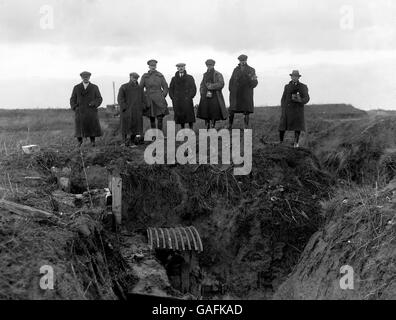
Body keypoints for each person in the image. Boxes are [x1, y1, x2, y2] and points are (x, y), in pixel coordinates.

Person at [70, 71, 103, 147]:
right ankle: (79, 142)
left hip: (91, 111)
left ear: (89, 77)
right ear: (81, 78)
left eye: (87, 77)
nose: (85, 78)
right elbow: (72, 99)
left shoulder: (94, 87)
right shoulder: (77, 87)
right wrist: (75, 107)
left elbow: (99, 98)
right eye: (84, 77)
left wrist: (94, 103)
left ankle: (92, 142)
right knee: (79, 128)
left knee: (92, 126)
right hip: (80, 111)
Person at [279, 70, 310, 148]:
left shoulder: (303, 86)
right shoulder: (287, 86)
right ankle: (281, 142)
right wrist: (283, 108)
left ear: (298, 77)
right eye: (293, 76)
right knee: (282, 126)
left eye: (296, 76)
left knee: (297, 127)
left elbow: (307, 98)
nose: (294, 78)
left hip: (297, 110)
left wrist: (300, 100)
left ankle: (296, 143)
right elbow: (283, 98)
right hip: (287, 110)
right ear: (291, 77)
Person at [228, 54, 258, 129]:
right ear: (239, 61)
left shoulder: (251, 70)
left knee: (246, 111)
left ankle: (246, 127)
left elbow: (255, 82)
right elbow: (231, 81)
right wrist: (231, 90)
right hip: (236, 94)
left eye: (244, 60)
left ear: (246, 60)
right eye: (241, 61)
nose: (242, 62)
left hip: (246, 94)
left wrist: (250, 83)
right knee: (232, 110)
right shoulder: (235, 70)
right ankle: (230, 126)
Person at [197, 59, 228, 129]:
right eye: (208, 65)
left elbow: (221, 84)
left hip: (215, 95)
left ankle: (213, 125)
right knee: (205, 112)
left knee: (214, 112)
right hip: (205, 96)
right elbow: (202, 84)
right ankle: (207, 125)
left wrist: (212, 86)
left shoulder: (218, 74)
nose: (209, 67)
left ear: (213, 65)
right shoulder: (205, 74)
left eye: (210, 65)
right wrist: (201, 92)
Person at [140, 59, 169, 133]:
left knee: (160, 118)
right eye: (151, 66)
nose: (153, 67)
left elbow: (165, 87)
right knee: (152, 118)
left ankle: (160, 135)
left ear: (156, 66)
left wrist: (163, 96)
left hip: (159, 99)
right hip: (149, 99)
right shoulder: (145, 76)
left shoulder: (160, 75)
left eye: (154, 66)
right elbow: (140, 88)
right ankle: (154, 135)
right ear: (149, 66)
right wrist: (144, 98)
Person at [117, 72, 146, 147]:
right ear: (130, 77)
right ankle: (124, 141)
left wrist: (142, 107)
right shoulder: (124, 87)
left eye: (136, 78)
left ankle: (132, 142)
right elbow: (120, 98)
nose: (134, 79)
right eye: (133, 78)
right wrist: (124, 107)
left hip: (137, 111)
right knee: (125, 126)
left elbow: (143, 98)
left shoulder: (139, 88)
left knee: (136, 127)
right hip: (126, 111)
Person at [169, 63, 197, 129]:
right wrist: (173, 98)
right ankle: (183, 131)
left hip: (187, 100)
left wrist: (190, 97)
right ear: (177, 68)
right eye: (179, 67)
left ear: (184, 67)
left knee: (190, 118)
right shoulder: (174, 79)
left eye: (182, 66)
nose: (181, 68)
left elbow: (193, 88)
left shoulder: (190, 77)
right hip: (178, 101)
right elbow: (171, 89)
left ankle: (191, 131)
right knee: (181, 119)